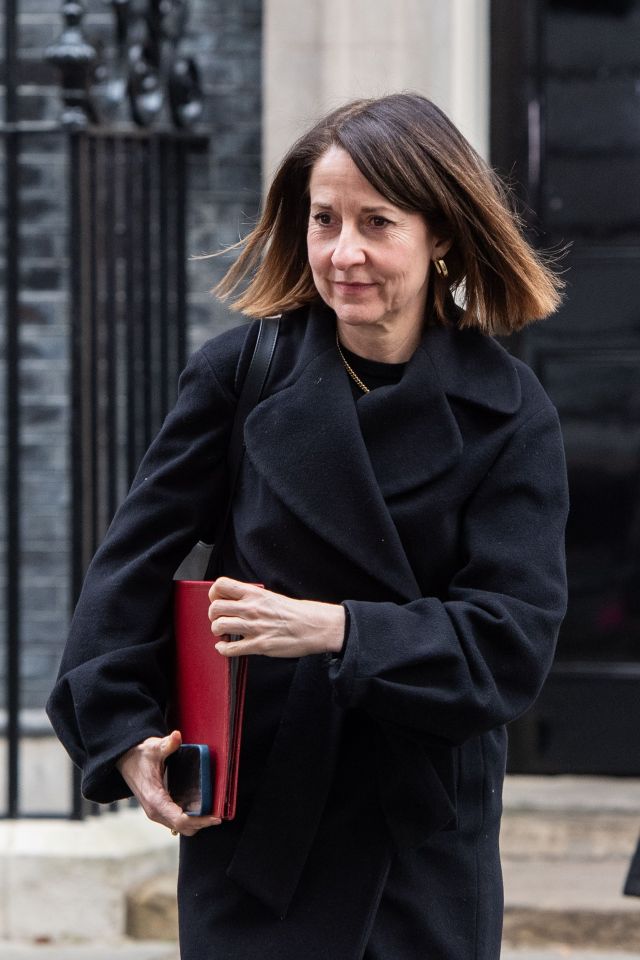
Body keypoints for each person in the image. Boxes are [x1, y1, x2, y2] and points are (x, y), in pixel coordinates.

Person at [47, 93, 569, 960]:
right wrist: (125, 732)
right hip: (260, 825)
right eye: (324, 220)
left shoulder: (510, 414)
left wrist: (336, 630)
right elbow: (129, 563)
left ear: (440, 233)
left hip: (420, 838)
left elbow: (510, 644)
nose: (343, 252)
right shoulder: (239, 373)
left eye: (377, 222)